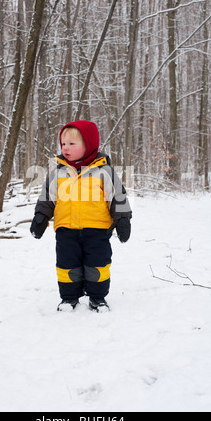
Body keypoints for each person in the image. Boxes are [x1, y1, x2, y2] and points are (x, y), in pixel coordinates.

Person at [30, 120, 132, 312]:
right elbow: (47, 198)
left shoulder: (104, 171)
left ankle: (97, 298)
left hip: (98, 230)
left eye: (71, 144)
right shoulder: (58, 172)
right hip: (66, 229)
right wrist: (40, 217)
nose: (65, 148)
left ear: (88, 145)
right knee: (67, 265)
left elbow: (117, 197)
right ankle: (69, 298)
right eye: (63, 144)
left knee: (98, 265)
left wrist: (123, 219)